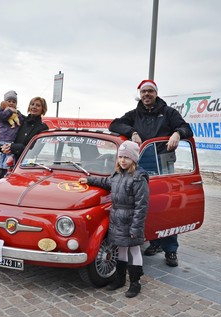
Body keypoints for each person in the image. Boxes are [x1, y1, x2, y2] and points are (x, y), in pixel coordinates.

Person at [108, 79, 193, 267]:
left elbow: (188, 128)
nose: (146, 95)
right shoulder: (134, 114)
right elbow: (113, 125)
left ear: (156, 93)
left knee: (167, 205)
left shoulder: (169, 112)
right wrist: (132, 131)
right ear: (140, 94)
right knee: (144, 203)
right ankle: (155, 242)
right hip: (141, 163)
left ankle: (171, 249)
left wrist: (177, 133)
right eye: (143, 92)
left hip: (163, 162)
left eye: (150, 92)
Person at [79, 140, 149, 298]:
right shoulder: (117, 174)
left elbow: (142, 206)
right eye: (120, 157)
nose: (123, 160)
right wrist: (89, 180)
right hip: (117, 218)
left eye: (127, 157)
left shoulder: (138, 178)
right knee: (121, 249)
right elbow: (106, 182)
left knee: (134, 250)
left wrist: (136, 227)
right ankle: (119, 279)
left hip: (131, 219)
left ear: (134, 159)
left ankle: (135, 282)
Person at [0, 96, 49, 164]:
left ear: (43, 109)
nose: (34, 107)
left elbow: (34, 151)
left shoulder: (43, 128)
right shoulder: (21, 120)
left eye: (38, 105)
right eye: (32, 104)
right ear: (29, 107)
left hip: (26, 165)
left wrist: (13, 147)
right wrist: (2, 147)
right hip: (7, 162)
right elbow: (6, 135)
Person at [0, 90, 24, 180]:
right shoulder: (1, 112)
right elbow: (2, 116)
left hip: (11, 138)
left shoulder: (16, 113)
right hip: (4, 136)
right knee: (7, 154)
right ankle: (5, 169)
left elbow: (21, 121)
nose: (11, 103)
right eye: (9, 101)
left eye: (14, 102)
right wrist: (10, 111)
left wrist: (17, 113)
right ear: (4, 102)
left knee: (5, 154)